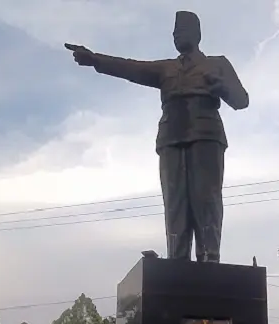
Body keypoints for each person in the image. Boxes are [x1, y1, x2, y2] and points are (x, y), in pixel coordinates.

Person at [66, 11, 248, 263]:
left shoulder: (217, 63)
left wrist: (221, 87)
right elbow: (131, 68)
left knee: (206, 199)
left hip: (206, 135)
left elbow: (242, 100)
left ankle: (209, 257)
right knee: (175, 203)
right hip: (170, 138)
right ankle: (177, 260)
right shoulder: (166, 68)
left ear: (197, 34)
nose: (177, 37)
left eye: (182, 32)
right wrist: (95, 59)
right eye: (174, 34)